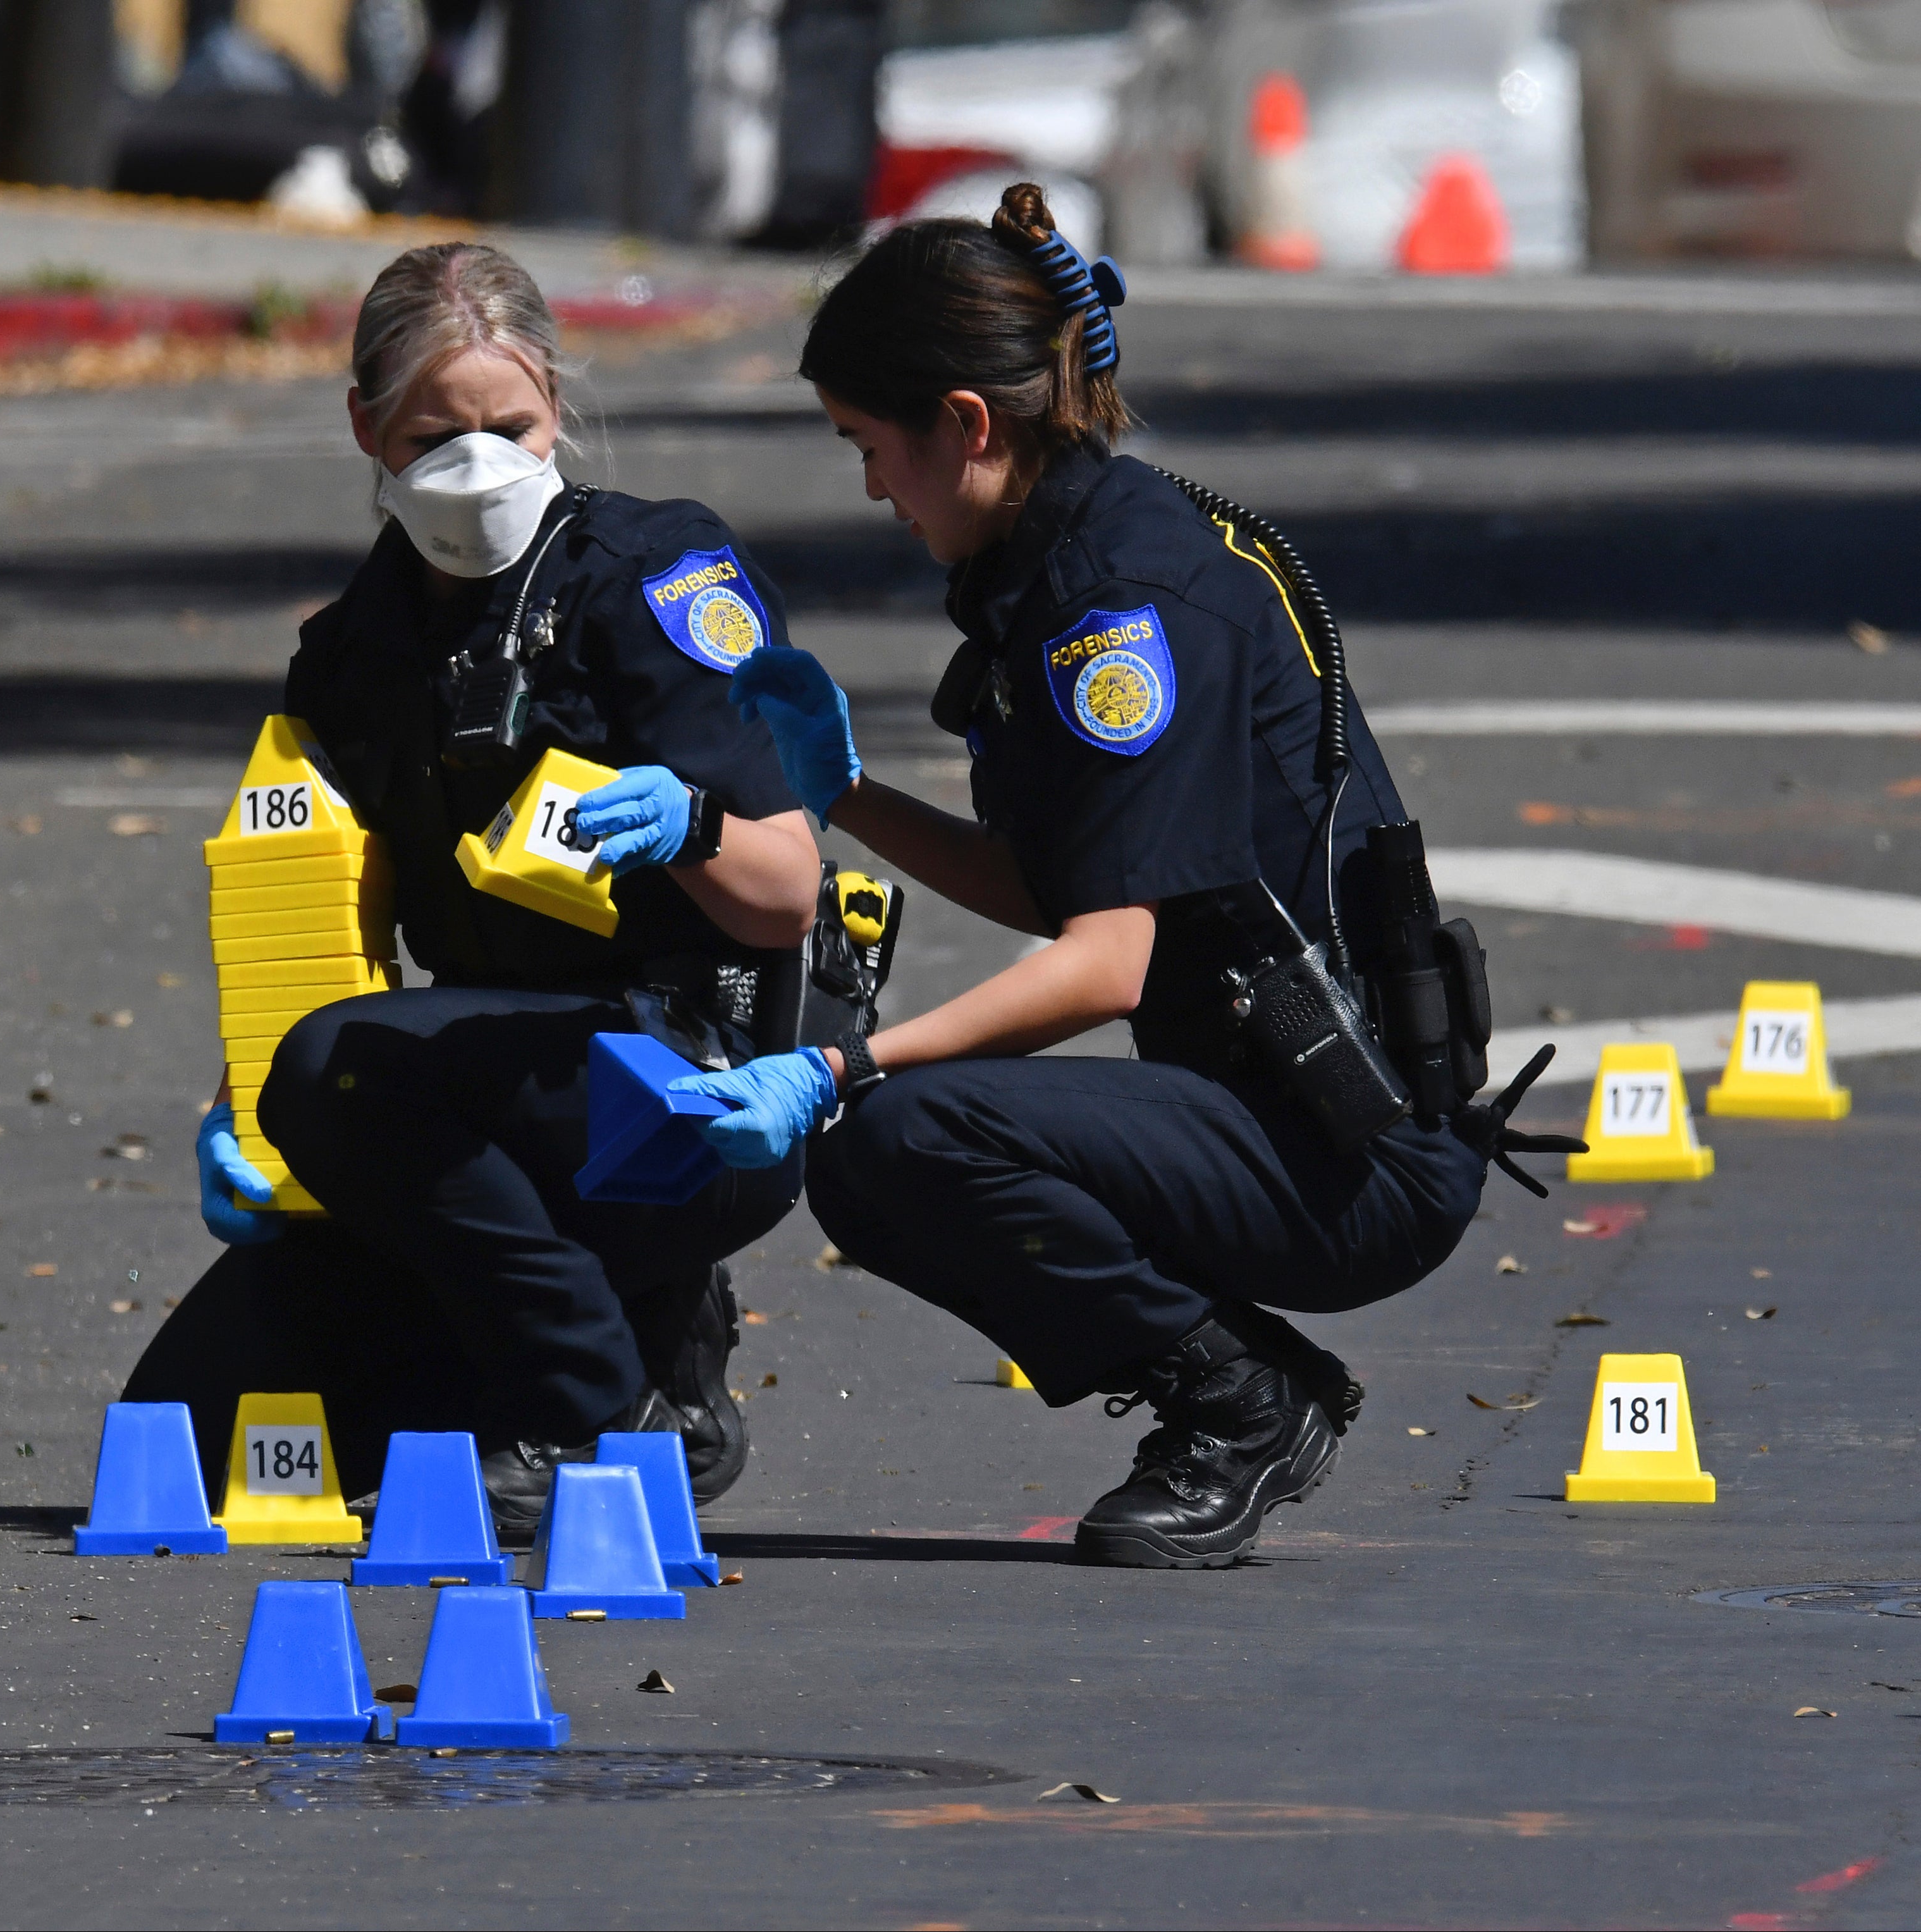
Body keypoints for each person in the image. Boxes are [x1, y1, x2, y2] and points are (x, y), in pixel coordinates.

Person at [666, 183, 1574, 1569]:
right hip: (1279, 1110)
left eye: (869, 448)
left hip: (1355, 1151)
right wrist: (840, 791)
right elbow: (1062, 885)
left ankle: (1242, 1404)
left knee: (896, 1138)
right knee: (893, 1132)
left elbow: (1105, 962)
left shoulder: (1117, 613)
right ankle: (1245, 1385)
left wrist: (844, 1070)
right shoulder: (1071, 562)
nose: (870, 489)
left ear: (967, 425)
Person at [124, 242, 823, 1530]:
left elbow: (788, 893)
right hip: (470, 1099)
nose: (479, 465)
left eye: (511, 424)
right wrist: (243, 1107)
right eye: (437, 434)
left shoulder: (652, 579)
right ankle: (620, 1338)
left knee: (347, 1066)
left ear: (555, 403)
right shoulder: (351, 653)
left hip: (684, 1081)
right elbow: (323, 927)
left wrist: (691, 823)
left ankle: (594, 1404)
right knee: (191, 1422)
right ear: (366, 429)